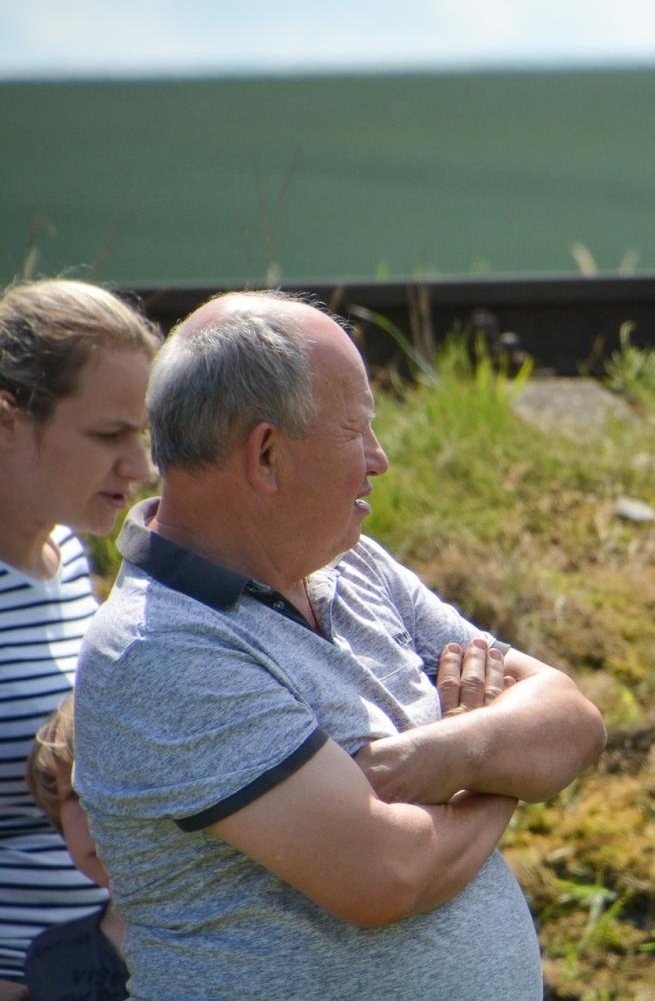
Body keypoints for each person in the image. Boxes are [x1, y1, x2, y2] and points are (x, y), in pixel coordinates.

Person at [72, 291, 607, 1000]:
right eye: (356, 431)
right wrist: (502, 773)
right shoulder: (155, 650)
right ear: (266, 454)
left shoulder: (352, 564)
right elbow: (387, 875)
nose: (379, 461)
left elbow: (573, 719)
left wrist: (446, 754)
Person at [0, 279, 161, 998]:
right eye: (108, 436)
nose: (143, 468)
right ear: (7, 421)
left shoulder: (68, 556)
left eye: (145, 433)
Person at [23, 694, 128, 1001]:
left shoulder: (249, 940)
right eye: (77, 797)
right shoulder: (51, 960)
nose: (97, 817)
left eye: (117, 791)